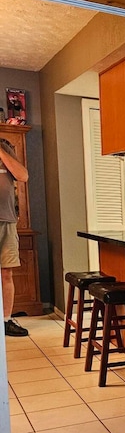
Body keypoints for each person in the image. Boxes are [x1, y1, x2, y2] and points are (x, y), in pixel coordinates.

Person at [0, 139, 29, 336]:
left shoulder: (5, 146)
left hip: (7, 220)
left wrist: (1, 152)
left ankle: (5, 320)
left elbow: (22, 176)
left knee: (6, 273)